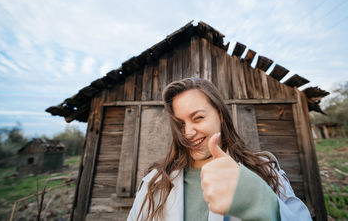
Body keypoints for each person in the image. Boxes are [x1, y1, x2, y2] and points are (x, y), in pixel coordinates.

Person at [127, 77, 312, 221]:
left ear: (221, 115)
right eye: (180, 124)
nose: (188, 132)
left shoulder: (264, 170)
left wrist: (258, 199)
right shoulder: (154, 182)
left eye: (198, 117)